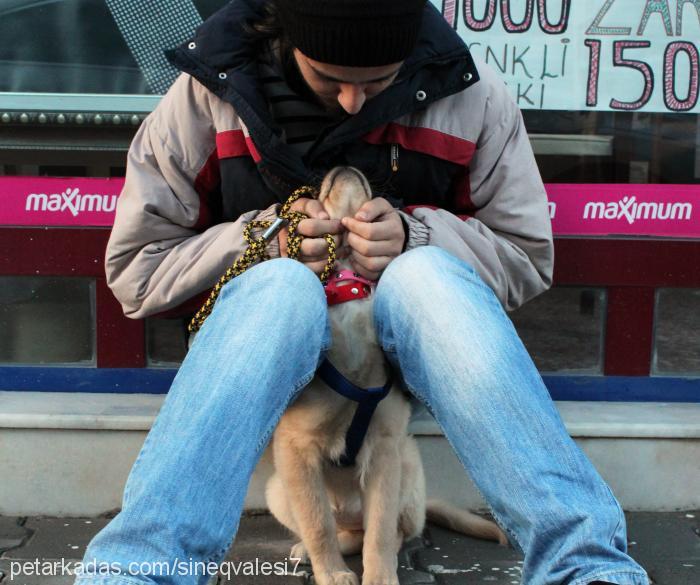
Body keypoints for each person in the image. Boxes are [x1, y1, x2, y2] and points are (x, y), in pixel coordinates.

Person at [74, 1, 650, 584]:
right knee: (278, 287)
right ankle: (137, 570)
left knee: (425, 274)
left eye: (379, 81)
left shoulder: (469, 91)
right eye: (330, 79)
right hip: (265, 343)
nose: (354, 101)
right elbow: (137, 273)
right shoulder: (206, 95)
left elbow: (526, 255)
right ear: (285, 37)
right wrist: (258, 240)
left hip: (397, 363)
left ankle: (589, 567)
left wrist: (417, 235)